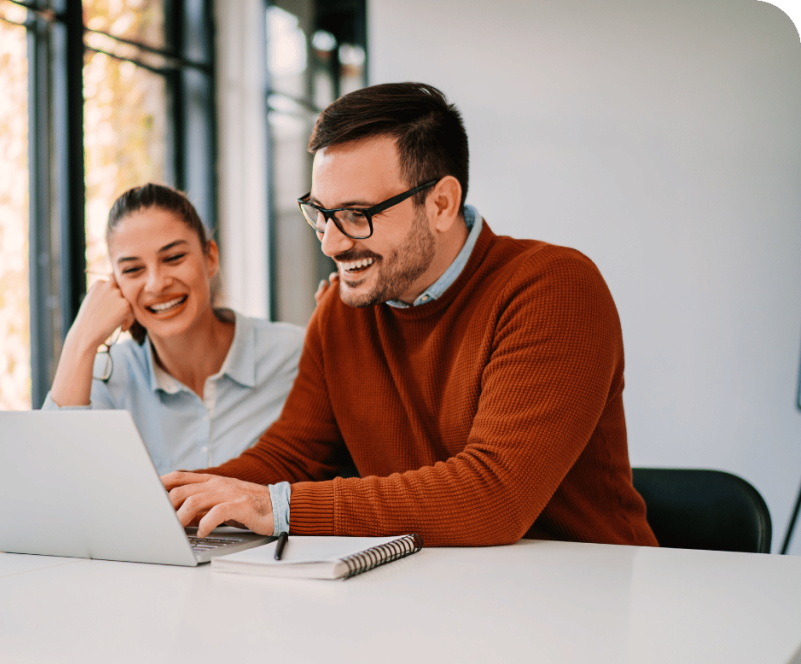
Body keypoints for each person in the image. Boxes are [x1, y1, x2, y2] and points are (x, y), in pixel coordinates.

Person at [161, 82, 658, 547]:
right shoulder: (343, 308)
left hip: (588, 600)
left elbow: (493, 495)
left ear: (441, 203)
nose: (332, 243)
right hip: (433, 597)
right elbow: (293, 457)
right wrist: (178, 502)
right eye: (321, 214)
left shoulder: (552, 288)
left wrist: (275, 507)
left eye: (358, 215)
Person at [44, 183, 304, 475]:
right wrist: (80, 340)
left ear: (210, 258)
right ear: (116, 283)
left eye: (173, 258)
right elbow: (54, 481)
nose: (156, 284)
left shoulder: (295, 355)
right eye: (132, 270)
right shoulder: (107, 376)